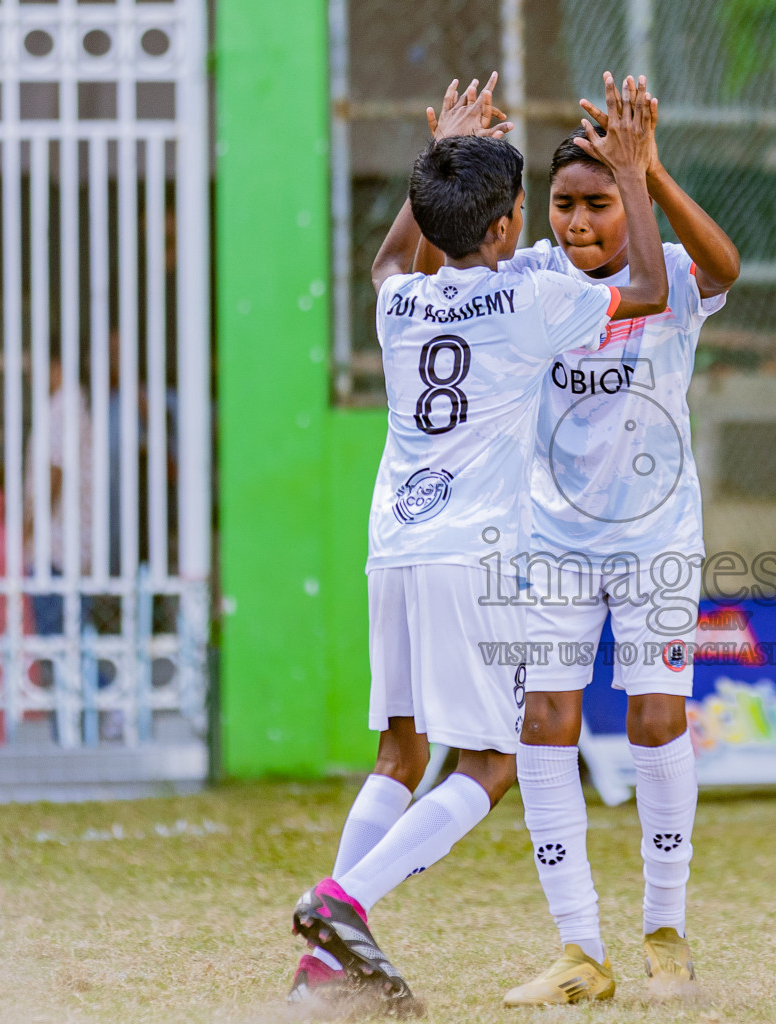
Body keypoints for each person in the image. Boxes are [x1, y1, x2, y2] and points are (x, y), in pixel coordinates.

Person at [286, 72, 669, 1012]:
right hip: (473, 555)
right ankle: (341, 903)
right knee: (491, 764)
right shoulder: (531, 304)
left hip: (394, 545)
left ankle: (324, 964)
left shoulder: (400, 303)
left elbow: (389, 257)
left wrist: (437, 160)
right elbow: (650, 289)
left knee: (399, 754)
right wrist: (632, 172)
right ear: (505, 229)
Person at [479, 74, 740, 1007]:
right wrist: (457, 167)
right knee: (544, 719)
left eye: (598, 202)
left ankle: (666, 931)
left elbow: (728, 268)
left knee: (655, 721)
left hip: (656, 542)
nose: (580, 221)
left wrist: (650, 171)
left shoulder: (669, 273)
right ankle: (578, 949)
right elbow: (443, 267)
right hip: (549, 542)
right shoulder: (530, 280)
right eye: (564, 204)